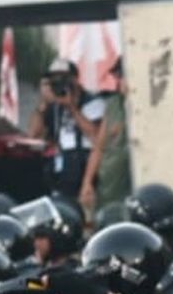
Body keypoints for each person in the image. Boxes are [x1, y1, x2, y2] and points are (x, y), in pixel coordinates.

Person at [26, 58, 103, 200]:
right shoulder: (55, 105)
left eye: (63, 79)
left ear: (74, 79)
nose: (59, 84)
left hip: (86, 163)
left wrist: (72, 107)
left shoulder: (92, 101)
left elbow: (95, 134)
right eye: (54, 80)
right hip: (62, 167)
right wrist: (42, 105)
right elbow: (33, 135)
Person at [81, 58, 130, 213]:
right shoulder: (113, 105)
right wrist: (87, 182)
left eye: (121, 75)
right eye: (117, 76)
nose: (118, 80)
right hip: (110, 188)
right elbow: (99, 148)